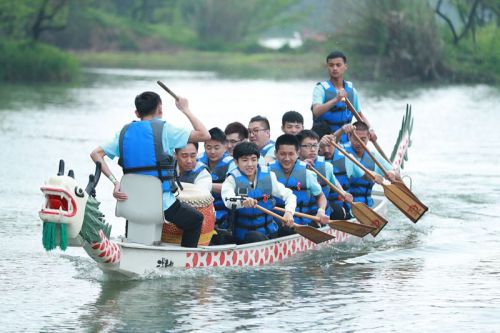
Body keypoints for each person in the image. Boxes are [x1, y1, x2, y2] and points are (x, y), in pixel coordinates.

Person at [90, 91, 210, 248]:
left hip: (130, 202)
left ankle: (130, 248)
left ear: (137, 113)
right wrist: (185, 108)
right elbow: (204, 135)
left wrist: (115, 182)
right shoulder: (165, 130)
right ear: (160, 109)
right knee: (195, 220)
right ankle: (186, 263)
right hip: (161, 204)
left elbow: (96, 154)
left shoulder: (124, 133)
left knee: (136, 221)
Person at [221, 142, 296, 244]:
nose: (250, 164)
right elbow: (228, 200)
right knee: (253, 236)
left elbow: (289, 196)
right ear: (236, 162)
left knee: (289, 228)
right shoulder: (231, 180)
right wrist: (242, 201)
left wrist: (289, 212)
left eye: (253, 159)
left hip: (268, 232)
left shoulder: (269, 176)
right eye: (244, 160)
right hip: (243, 238)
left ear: (258, 160)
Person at [311, 51, 376, 143]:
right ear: (327, 67)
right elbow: (316, 111)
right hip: (324, 141)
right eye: (331, 65)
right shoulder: (320, 89)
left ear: (345, 67)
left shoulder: (352, 91)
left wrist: (370, 130)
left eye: (338, 65)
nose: (334, 68)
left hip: (346, 141)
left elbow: (359, 115)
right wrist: (336, 99)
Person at [269, 134, 330, 226]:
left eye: (291, 154)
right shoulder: (268, 174)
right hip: (277, 223)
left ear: (297, 153)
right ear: (275, 153)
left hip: (303, 223)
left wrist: (321, 211)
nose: (287, 158)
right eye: (282, 154)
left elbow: (320, 196)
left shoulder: (307, 174)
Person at [297, 129, 353, 220]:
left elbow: (335, 183)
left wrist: (343, 193)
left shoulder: (327, 166)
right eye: (307, 146)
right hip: (300, 215)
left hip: (321, 213)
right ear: (298, 148)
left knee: (340, 212)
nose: (313, 150)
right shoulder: (291, 167)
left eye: (315, 145)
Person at [338, 121, 397, 207]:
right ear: (349, 136)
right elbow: (329, 144)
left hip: (367, 206)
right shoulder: (341, 151)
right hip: (345, 206)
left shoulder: (373, 156)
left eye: (363, 139)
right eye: (355, 138)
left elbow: (392, 171)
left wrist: (392, 173)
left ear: (369, 137)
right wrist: (341, 130)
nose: (358, 143)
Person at [199, 127, 233, 228]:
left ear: (225, 146)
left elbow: (230, 188)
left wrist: (204, 185)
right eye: (208, 147)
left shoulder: (232, 163)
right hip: (201, 207)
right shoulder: (197, 160)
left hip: (223, 210)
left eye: (217, 147)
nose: (212, 151)